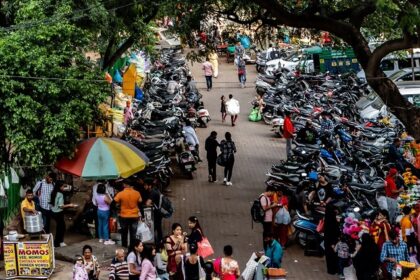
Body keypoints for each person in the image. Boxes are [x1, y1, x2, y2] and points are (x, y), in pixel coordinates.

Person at [114, 179, 142, 248]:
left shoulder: (120, 193)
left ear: (125, 185)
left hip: (124, 216)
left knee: (124, 233)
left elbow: (114, 202)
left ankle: (124, 247)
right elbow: (140, 201)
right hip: (134, 216)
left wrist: (118, 207)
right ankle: (132, 248)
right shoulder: (137, 193)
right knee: (133, 234)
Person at [50, 181, 77, 248]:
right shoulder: (60, 194)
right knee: (61, 228)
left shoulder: (53, 192)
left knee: (60, 227)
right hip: (59, 212)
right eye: (62, 186)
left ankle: (58, 242)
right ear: (59, 187)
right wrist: (70, 205)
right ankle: (58, 242)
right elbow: (61, 206)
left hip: (53, 211)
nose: (63, 188)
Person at [143, 178, 163, 243]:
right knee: (158, 227)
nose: (144, 187)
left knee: (155, 227)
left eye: (146, 185)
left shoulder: (153, 193)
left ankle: (156, 241)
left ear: (150, 186)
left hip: (156, 213)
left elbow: (147, 203)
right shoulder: (155, 190)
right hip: (159, 212)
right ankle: (159, 240)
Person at [324, 203, 340, 275]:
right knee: (333, 255)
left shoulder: (327, 217)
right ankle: (334, 269)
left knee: (329, 255)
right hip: (332, 241)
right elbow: (335, 231)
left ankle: (330, 270)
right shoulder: (332, 219)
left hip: (327, 240)